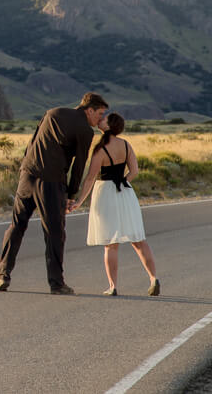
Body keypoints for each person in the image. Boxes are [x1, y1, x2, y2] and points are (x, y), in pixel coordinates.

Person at [0, 92, 109, 295]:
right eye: (99, 113)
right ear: (89, 110)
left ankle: (3, 275)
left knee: (17, 225)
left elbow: (32, 142)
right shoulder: (84, 130)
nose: (100, 119)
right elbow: (79, 165)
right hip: (51, 182)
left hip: (27, 175)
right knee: (54, 232)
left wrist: (25, 168)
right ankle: (56, 283)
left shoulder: (53, 112)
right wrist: (71, 194)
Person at [68, 112, 160, 296]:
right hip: (126, 192)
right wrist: (123, 181)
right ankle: (153, 278)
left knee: (111, 243)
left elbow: (90, 179)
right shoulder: (126, 145)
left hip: (106, 193)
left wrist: (79, 201)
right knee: (138, 240)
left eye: (104, 119)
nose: (100, 120)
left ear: (109, 126)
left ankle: (113, 286)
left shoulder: (100, 149)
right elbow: (134, 171)